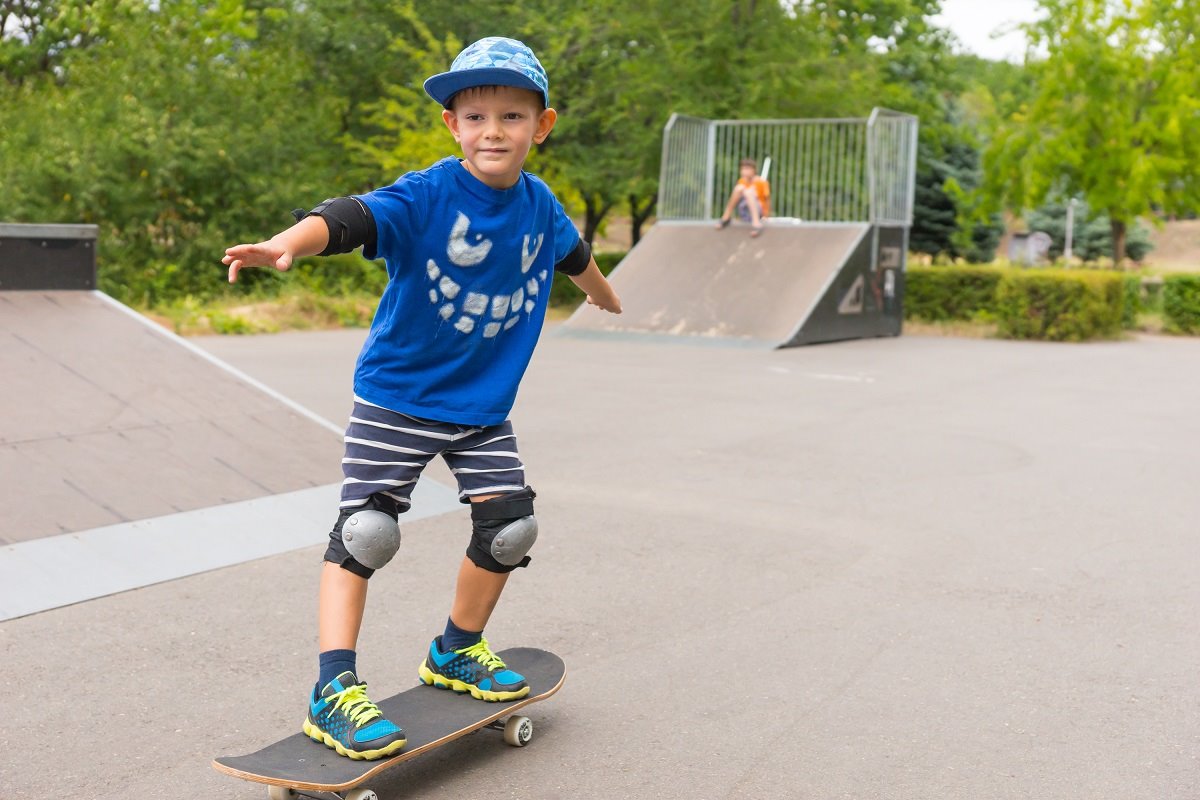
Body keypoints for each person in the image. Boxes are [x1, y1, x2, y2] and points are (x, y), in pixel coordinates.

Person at [221, 36, 621, 761]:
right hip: (397, 397)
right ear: (452, 126)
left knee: (510, 530)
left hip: (481, 409)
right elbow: (353, 217)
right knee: (369, 532)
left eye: (510, 116)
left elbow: (573, 255)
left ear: (543, 125)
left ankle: (455, 650)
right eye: (475, 117)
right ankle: (333, 689)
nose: (492, 131)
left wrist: (606, 295)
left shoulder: (539, 206)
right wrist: (287, 244)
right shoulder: (429, 193)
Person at [715, 158, 771, 237]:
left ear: (753, 170)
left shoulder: (761, 182)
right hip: (744, 209)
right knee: (739, 188)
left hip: (758, 211)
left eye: (747, 169)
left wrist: (766, 215)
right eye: (743, 169)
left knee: (749, 192)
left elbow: (767, 200)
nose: (744, 171)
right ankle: (726, 217)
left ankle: (756, 223)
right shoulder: (741, 181)